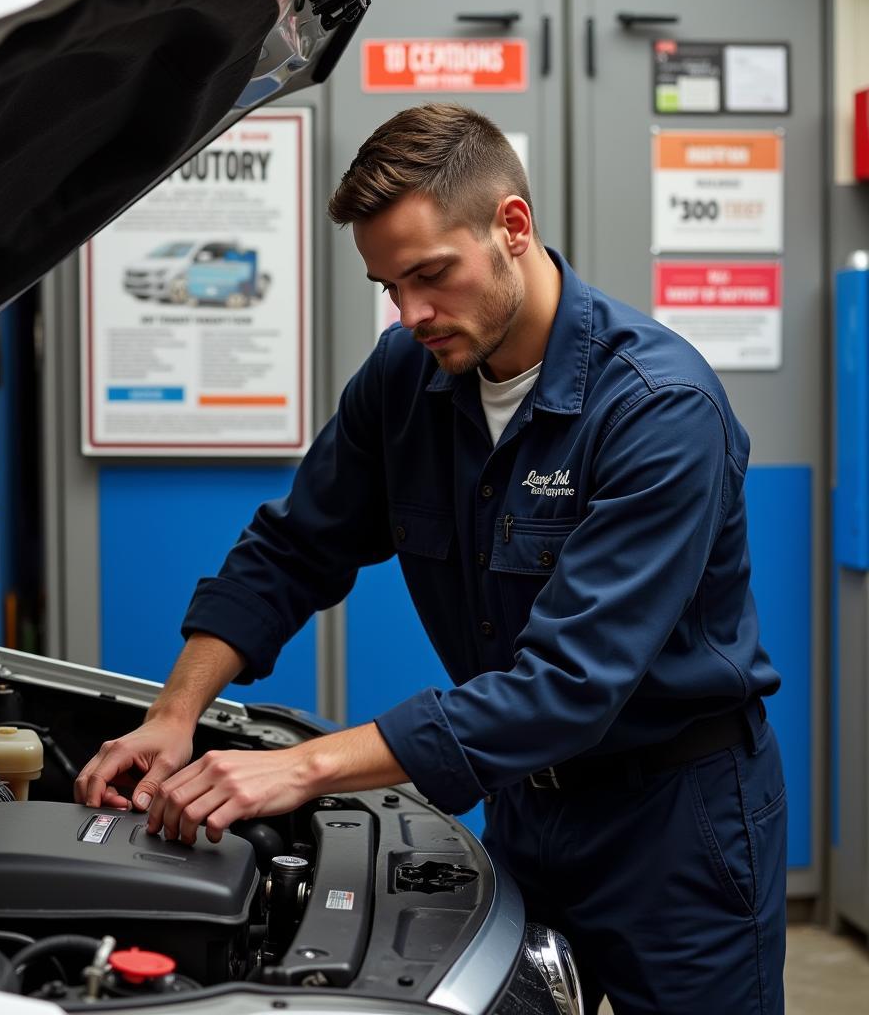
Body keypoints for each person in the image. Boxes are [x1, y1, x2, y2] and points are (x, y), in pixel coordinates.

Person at [76, 103, 786, 1014]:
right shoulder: (406, 378)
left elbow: (566, 685)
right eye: (388, 287)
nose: (411, 314)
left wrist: (299, 766)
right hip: (527, 811)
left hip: (677, 830)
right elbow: (293, 546)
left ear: (512, 228)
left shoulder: (658, 410)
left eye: (430, 276)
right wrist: (176, 713)